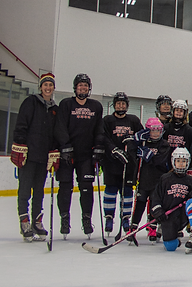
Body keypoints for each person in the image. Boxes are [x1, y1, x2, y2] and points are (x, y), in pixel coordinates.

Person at [54, 73, 105, 238]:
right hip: (67, 154)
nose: (82, 88)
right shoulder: (66, 104)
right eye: (80, 85)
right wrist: (65, 146)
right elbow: (60, 126)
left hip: (86, 156)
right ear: (75, 87)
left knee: (86, 188)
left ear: (89, 88)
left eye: (85, 86)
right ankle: (64, 219)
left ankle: (86, 219)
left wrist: (98, 147)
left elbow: (99, 129)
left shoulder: (96, 106)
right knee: (65, 187)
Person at [12, 73, 58, 242]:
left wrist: (54, 150)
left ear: (53, 88)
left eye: (51, 85)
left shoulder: (55, 109)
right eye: (45, 85)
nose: (48, 88)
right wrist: (20, 145)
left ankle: (37, 222)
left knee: (39, 191)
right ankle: (25, 221)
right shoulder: (30, 102)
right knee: (25, 190)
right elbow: (21, 125)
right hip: (28, 155)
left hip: (43, 157)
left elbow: (55, 134)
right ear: (40, 87)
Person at [100, 92, 143, 237]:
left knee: (127, 192)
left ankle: (125, 219)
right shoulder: (107, 120)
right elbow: (103, 137)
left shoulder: (133, 120)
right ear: (114, 105)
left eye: (123, 103)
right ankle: (109, 218)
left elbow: (141, 136)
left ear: (127, 105)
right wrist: (114, 150)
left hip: (128, 164)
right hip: (111, 163)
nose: (121, 106)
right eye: (118, 103)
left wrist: (133, 140)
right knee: (110, 190)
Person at [128, 117, 171, 243]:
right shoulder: (143, 143)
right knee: (140, 203)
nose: (156, 133)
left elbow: (160, 161)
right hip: (143, 180)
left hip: (158, 181)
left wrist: (148, 155)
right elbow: (131, 152)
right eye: (153, 130)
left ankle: (152, 227)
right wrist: (135, 140)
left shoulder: (164, 144)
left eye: (158, 130)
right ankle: (133, 228)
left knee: (154, 205)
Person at [149, 148, 192, 252]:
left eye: (183, 161)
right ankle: (172, 236)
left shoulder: (191, 180)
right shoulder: (165, 178)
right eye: (178, 161)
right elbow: (156, 197)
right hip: (168, 216)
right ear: (173, 161)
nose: (181, 164)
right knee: (170, 247)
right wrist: (158, 211)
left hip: (183, 215)